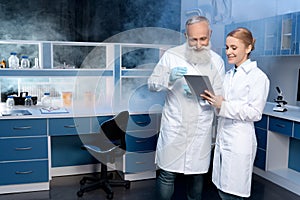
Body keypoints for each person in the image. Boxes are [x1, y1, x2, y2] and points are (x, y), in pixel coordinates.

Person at [148, 15, 225, 200]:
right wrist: (169, 78)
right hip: (175, 126)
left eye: (203, 39)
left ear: (210, 34)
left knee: (197, 176)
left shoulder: (217, 61)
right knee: (167, 174)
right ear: (185, 36)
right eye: (193, 40)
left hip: (200, 128)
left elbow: (220, 97)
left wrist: (203, 96)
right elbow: (152, 84)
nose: (198, 45)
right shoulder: (171, 56)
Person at [201, 27, 270, 200]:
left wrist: (223, 105)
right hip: (224, 137)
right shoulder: (228, 75)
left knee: (232, 193)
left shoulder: (258, 77)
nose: (229, 52)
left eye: (234, 48)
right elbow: (221, 105)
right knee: (221, 189)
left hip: (240, 140)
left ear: (248, 48)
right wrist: (210, 99)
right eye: (227, 47)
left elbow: (255, 113)